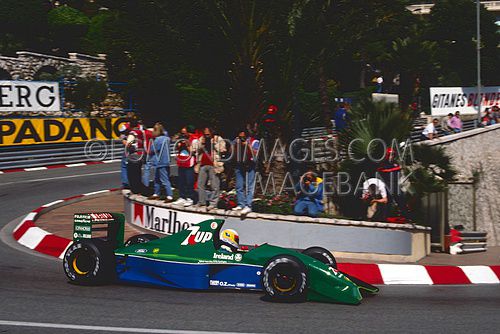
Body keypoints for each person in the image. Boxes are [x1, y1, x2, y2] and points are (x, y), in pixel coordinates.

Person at [195, 127, 226, 209]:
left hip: (214, 165)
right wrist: (201, 144)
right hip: (203, 164)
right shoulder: (202, 139)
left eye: (208, 134)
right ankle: (202, 202)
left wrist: (214, 144)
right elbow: (196, 149)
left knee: (214, 185)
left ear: (211, 132)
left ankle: (213, 203)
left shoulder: (217, 139)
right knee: (200, 184)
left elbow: (222, 149)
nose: (206, 135)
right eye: (205, 134)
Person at [232, 130, 260, 215]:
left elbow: (255, 154)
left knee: (249, 186)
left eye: (243, 137)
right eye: (240, 137)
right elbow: (230, 152)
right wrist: (235, 144)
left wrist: (247, 145)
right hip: (239, 165)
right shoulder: (236, 142)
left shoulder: (254, 142)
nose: (241, 139)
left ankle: (248, 205)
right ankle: (241, 204)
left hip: (250, 165)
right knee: (239, 186)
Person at [148, 123, 173, 201]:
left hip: (160, 161)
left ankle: (169, 195)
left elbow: (152, 150)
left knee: (164, 179)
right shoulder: (167, 138)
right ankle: (156, 193)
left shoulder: (158, 140)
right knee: (157, 178)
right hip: (166, 160)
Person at [172, 127, 195, 207]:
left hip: (189, 163)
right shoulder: (181, 140)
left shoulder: (193, 139)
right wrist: (179, 143)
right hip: (181, 162)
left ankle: (190, 197)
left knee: (189, 181)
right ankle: (182, 197)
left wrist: (187, 145)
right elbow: (177, 148)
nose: (183, 135)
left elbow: (193, 152)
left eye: (184, 133)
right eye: (182, 133)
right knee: (181, 181)